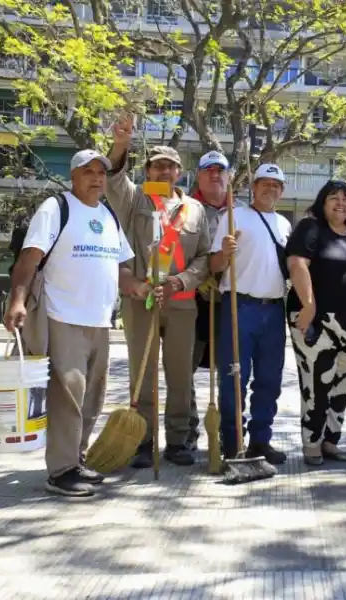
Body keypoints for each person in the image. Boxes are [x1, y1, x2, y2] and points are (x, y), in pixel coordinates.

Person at [4, 149, 139, 497]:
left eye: (101, 173)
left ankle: (76, 459)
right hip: (62, 316)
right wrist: (17, 300)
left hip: (101, 320)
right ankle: (61, 470)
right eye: (88, 172)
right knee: (68, 397)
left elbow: (121, 266)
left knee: (92, 398)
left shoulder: (108, 214)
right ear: (73, 176)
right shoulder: (56, 208)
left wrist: (138, 287)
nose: (96, 178)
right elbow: (29, 259)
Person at [106, 114, 212, 468]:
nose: (164, 172)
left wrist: (182, 281)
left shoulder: (194, 209)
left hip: (181, 301)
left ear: (179, 172)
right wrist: (121, 144)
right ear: (148, 171)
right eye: (157, 166)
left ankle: (179, 441)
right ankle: (143, 440)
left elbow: (203, 257)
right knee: (143, 372)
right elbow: (113, 179)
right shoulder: (135, 199)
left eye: (170, 167)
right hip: (141, 299)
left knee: (180, 375)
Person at [286, 180, 346, 466]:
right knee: (317, 383)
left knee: (343, 384)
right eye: (333, 197)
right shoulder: (310, 228)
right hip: (316, 320)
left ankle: (330, 441)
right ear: (322, 203)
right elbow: (297, 264)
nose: (341, 203)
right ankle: (312, 443)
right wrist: (309, 304)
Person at [209, 163, 291, 464]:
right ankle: (233, 443)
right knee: (234, 377)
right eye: (264, 183)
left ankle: (260, 441)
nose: (270, 188)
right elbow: (214, 266)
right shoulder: (233, 216)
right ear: (254, 187)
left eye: (276, 184)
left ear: (282, 191)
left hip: (274, 309)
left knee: (269, 379)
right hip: (239, 306)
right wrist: (224, 252)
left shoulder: (284, 224)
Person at [187, 150, 233, 451]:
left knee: (230, 369)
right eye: (208, 171)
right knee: (184, 369)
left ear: (228, 176)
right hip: (191, 300)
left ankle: (228, 434)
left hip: (228, 302)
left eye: (220, 171)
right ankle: (187, 432)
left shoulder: (241, 212)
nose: (215, 176)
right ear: (199, 176)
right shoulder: (184, 209)